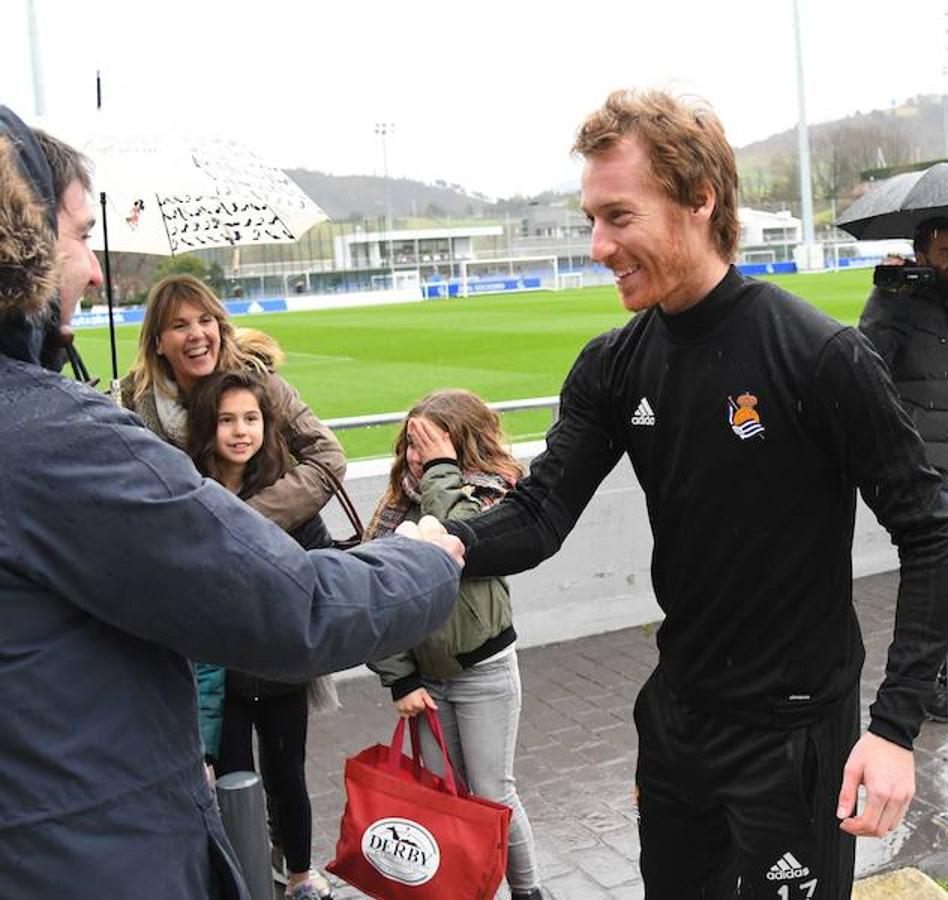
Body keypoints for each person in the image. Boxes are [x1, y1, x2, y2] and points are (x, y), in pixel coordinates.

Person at [437, 90, 948, 900]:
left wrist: (893, 731)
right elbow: (540, 516)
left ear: (699, 199)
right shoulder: (613, 365)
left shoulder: (820, 358)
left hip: (793, 737)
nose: (597, 245)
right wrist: (442, 547)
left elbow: (928, 536)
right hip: (678, 723)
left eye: (618, 216)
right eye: (591, 219)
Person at [0, 107, 464, 898]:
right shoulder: (55, 433)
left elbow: (310, 462)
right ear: (23, 244)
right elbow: (293, 607)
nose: (91, 269)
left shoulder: (203, 395)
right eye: (76, 235)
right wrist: (425, 561)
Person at [367, 390, 545, 900]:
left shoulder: (495, 491)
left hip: (483, 671)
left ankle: (530, 893)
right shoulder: (396, 502)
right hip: (425, 680)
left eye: (428, 443)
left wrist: (441, 469)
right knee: (445, 796)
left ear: (459, 443)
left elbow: (463, 536)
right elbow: (376, 596)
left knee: (492, 794)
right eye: (411, 443)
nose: (414, 455)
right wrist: (399, 678)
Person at [185, 369, 338, 900]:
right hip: (220, 677)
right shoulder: (189, 489)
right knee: (230, 782)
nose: (240, 430)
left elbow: (325, 558)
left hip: (278, 670)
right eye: (227, 420)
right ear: (208, 427)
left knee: (286, 776)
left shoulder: (284, 487)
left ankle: (299, 875)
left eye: (250, 418)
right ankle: (241, 877)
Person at [121, 273, 344, 531]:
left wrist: (245, 520)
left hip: (288, 547)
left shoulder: (262, 385)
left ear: (219, 327)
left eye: (206, 320)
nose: (196, 334)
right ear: (158, 343)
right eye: (179, 325)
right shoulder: (132, 408)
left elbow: (328, 457)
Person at [858, 217, 948, 529]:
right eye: (945, 253)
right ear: (922, 259)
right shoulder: (899, 311)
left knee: (940, 571)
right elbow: (867, 363)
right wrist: (886, 293)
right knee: (932, 570)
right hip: (920, 474)